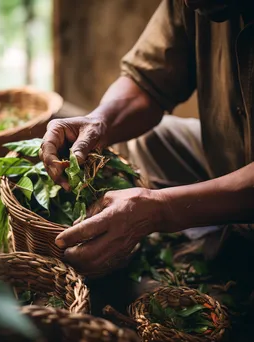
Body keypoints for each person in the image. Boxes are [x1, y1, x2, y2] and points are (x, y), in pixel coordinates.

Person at [40, 0, 254, 275]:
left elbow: (161, 207)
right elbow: (147, 81)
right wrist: (99, 121)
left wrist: (161, 209)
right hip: (232, 153)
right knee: (152, 139)